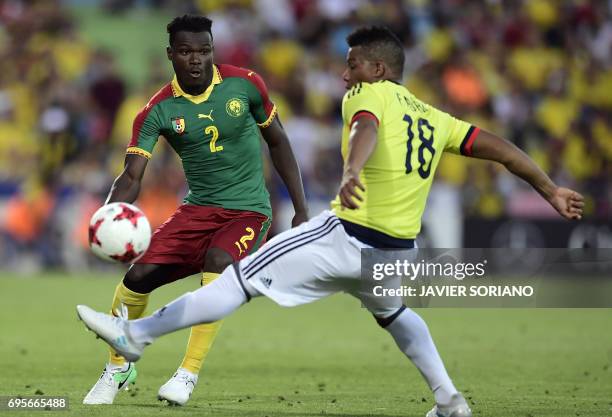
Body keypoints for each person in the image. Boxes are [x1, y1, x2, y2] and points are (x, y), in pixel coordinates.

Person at [77, 26, 584, 417]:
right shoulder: (438, 119)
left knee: (238, 280)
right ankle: (450, 400)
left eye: (353, 66)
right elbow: (502, 150)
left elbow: (365, 125)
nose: (345, 76)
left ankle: (135, 337)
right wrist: (550, 188)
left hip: (343, 237)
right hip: (395, 254)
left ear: (379, 69)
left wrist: (351, 170)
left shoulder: (369, 95)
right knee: (397, 316)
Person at [82, 15, 308, 405]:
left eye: (204, 50)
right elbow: (132, 175)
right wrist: (109, 215)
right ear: (171, 54)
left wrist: (300, 208)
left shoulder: (246, 84)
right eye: (186, 52)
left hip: (248, 211)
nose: (197, 60)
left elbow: (279, 142)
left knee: (218, 261)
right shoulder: (157, 111)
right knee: (137, 277)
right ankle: (118, 367)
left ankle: (186, 374)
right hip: (197, 210)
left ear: (212, 50)